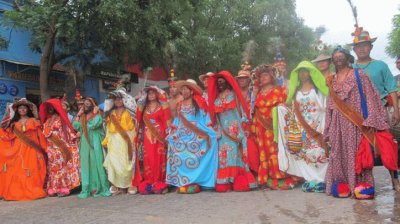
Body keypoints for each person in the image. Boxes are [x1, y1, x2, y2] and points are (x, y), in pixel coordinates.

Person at [324, 47, 389, 197]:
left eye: (341, 56)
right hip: (337, 124)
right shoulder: (331, 80)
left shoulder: (359, 75)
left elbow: (371, 96)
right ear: (333, 60)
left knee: (357, 153)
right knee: (337, 152)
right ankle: (343, 184)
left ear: (348, 58)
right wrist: (327, 127)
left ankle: (360, 186)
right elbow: (330, 105)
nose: (338, 59)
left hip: (356, 122)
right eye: (336, 57)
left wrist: (371, 120)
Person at [351, 27, 400, 191]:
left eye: (365, 45)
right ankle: (365, 182)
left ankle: (395, 179)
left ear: (370, 47)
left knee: (386, 144)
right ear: (354, 49)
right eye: (358, 46)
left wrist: (397, 111)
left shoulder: (381, 65)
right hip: (357, 114)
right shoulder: (350, 68)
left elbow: (392, 88)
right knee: (361, 147)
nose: (361, 49)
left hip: (379, 111)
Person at [277, 61, 329, 193]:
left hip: (317, 126)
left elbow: (325, 106)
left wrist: (323, 126)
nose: (303, 74)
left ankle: (322, 179)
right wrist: (280, 109)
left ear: (311, 72)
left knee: (320, 152)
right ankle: (310, 179)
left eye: (305, 71)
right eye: (300, 72)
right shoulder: (295, 92)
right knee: (305, 153)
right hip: (302, 128)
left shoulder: (317, 88)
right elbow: (293, 109)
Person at [208, 71, 257, 192]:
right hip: (223, 134)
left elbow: (243, 111)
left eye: (222, 82)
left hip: (237, 132)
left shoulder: (234, 95)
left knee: (237, 156)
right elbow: (214, 118)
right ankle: (225, 180)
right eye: (218, 82)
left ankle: (237, 179)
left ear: (227, 83)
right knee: (224, 157)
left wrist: (245, 127)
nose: (220, 84)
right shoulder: (215, 100)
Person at [166, 80, 218, 193]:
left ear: (191, 91)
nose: (184, 92)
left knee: (204, 147)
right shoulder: (179, 104)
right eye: (182, 90)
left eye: (186, 89)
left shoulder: (199, 102)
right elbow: (177, 120)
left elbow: (205, 117)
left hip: (196, 132)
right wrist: (172, 131)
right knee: (177, 151)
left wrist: (210, 129)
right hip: (181, 132)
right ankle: (183, 180)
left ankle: (201, 180)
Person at [251, 64, 297, 190]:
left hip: (276, 129)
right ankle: (267, 178)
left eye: (266, 75)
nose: (263, 78)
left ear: (271, 77)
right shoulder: (258, 94)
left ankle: (281, 177)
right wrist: (254, 128)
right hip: (261, 129)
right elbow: (255, 112)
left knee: (277, 151)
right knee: (264, 152)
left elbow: (287, 109)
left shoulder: (280, 91)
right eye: (260, 76)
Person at [0, 98, 47, 201]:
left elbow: (40, 135)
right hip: (18, 150)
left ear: (27, 110)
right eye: (20, 108)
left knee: (33, 168)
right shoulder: (14, 123)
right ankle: (17, 191)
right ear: (17, 111)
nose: (22, 110)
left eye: (24, 108)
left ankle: (33, 188)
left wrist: (43, 148)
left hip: (32, 148)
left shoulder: (33, 121)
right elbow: (9, 136)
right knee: (17, 169)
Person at [40, 98, 80, 197]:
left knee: (62, 168)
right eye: (48, 107)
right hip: (51, 148)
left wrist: (71, 142)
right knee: (52, 168)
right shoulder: (47, 120)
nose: (50, 109)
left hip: (61, 147)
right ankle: (53, 187)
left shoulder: (61, 118)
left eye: (52, 107)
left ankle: (64, 187)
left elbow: (67, 132)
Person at [102, 88, 139, 195]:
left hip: (127, 139)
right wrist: (107, 140)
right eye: (116, 99)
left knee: (127, 161)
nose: (118, 101)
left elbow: (134, 126)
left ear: (124, 100)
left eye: (120, 99)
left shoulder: (129, 112)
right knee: (114, 162)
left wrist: (132, 139)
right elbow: (108, 128)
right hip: (114, 140)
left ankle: (129, 184)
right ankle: (117, 185)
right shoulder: (111, 113)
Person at [73, 97, 111, 198]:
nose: (86, 106)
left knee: (97, 163)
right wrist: (78, 114)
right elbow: (75, 126)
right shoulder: (82, 116)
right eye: (85, 104)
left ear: (93, 105)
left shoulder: (98, 115)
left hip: (95, 141)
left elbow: (94, 125)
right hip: (85, 142)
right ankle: (87, 189)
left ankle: (99, 187)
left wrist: (94, 113)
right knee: (85, 164)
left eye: (88, 104)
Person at [135, 86, 171, 194]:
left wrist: (166, 135)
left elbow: (166, 121)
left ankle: (160, 180)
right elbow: (138, 121)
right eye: (149, 93)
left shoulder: (162, 106)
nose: (151, 95)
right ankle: (150, 181)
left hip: (160, 136)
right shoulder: (143, 108)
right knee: (149, 158)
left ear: (157, 94)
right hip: (147, 137)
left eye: (153, 93)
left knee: (160, 158)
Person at [235, 65, 259, 174]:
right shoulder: (234, 94)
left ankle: (253, 170)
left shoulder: (253, 92)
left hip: (252, 123)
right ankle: (242, 171)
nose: (242, 81)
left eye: (244, 78)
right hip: (237, 123)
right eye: (240, 79)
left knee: (252, 146)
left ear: (248, 80)